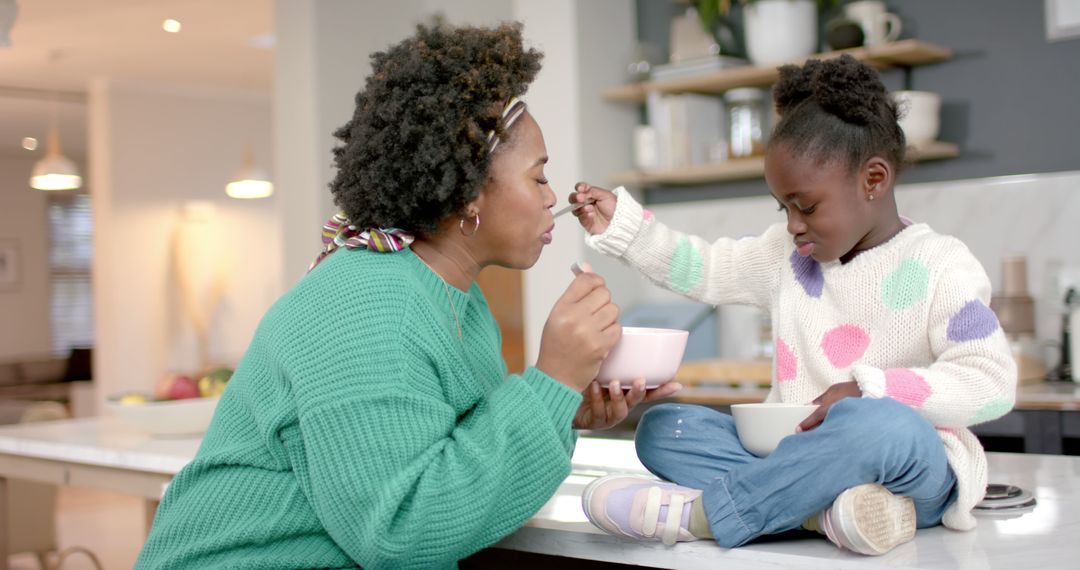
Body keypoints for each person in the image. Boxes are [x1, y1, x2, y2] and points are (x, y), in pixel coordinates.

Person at [135, 22, 677, 569]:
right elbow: (401, 531)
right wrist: (551, 381)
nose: (552, 195)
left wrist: (560, 409)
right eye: (538, 177)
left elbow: (450, 467)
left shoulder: (453, 297)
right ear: (468, 193)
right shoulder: (370, 305)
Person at [572, 55, 1017, 555]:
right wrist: (628, 231)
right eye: (782, 208)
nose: (792, 225)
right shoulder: (784, 256)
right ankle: (824, 513)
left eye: (806, 206)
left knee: (880, 424)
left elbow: (992, 383)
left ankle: (708, 515)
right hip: (793, 453)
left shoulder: (942, 264)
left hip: (911, 467)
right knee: (663, 429)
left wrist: (870, 390)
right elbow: (707, 268)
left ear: (873, 180)